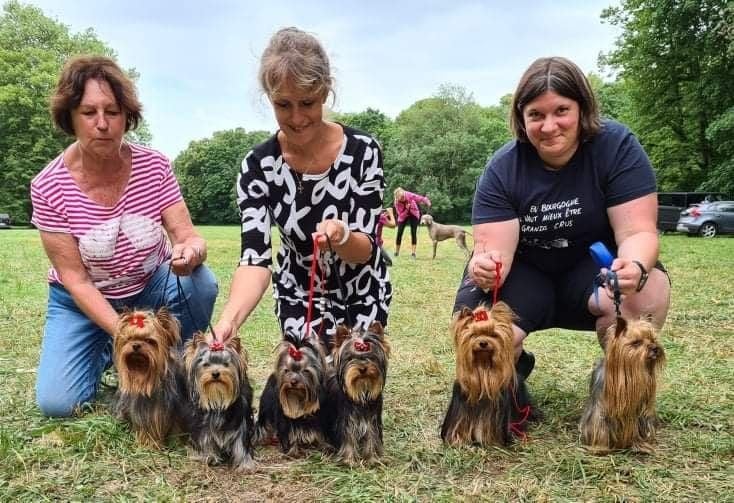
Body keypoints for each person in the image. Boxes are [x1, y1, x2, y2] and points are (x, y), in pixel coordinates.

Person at [454, 56, 671, 379]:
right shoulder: (502, 168)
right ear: (521, 119)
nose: (549, 126)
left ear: (581, 108)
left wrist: (635, 266)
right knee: (479, 326)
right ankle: (509, 375)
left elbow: (638, 232)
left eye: (561, 111)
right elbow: (495, 255)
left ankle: (621, 390)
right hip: (526, 273)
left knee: (647, 291)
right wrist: (486, 270)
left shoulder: (617, 147)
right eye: (536, 115)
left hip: (593, 271)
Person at [31, 56, 218, 417]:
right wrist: (124, 332)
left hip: (149, 287)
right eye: (88, 112)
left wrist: (190, 252)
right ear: (70, 117)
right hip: (81, 300)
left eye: (112, 111)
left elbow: (189, 236)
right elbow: (76, 279)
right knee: (58, 404)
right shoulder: (48, 185)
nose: (102, 124)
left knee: (201, 283)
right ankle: (109, 349)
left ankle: (170, 365)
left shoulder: (155, 166)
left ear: (126, 116)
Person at [213, 27, 391, 346]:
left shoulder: (364, 151)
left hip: (361, 293)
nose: (296, 118)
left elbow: (365, 249)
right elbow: (254, 259)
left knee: (357, 390)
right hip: (299, 295)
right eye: (283, 104)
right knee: (304, 388)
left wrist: (342, 235)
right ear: (269, 98)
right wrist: (229, 321)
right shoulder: (258, 167)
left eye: (307, 102)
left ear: (325, 91)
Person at [393, 187, 431, 260]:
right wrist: (407, 209)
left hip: (413, 213)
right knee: (399, 233)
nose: (403, 197)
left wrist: (427, 201)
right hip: (403, 215)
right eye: (401, 197)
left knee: (413, 232)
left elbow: (418, 197)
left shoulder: (408, 194)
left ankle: (413, 253)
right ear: (398, 198)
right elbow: (401, 215)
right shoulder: (397, 203)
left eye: (403, 196)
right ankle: (397, 252)